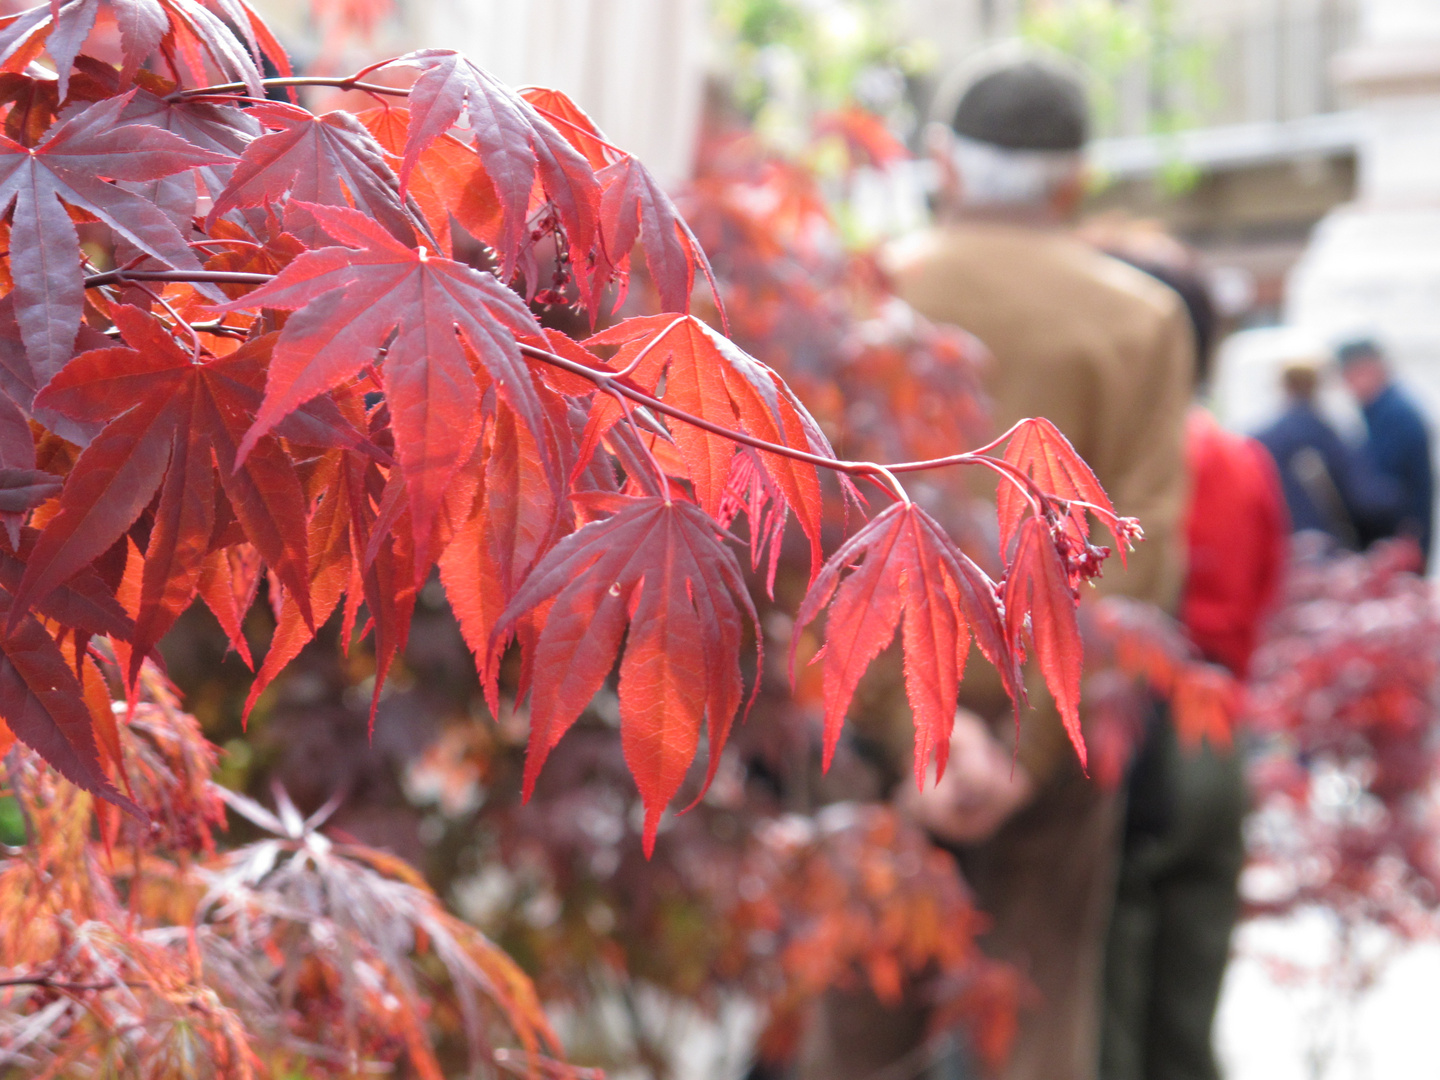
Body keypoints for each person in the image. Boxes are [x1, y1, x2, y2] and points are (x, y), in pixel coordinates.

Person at [823, 49, 1192, 1080]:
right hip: (1059, 728)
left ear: (942, 161)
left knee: (859, 1017)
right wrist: (1023, 748)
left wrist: (920, 738)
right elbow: (1146, 543)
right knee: (1037, 1014)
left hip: (874, 706)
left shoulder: (868, 293)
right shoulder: (1142, 317)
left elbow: (825, 522)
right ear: (1076, 179)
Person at [1084, 235, 1288, 1080]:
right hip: (1224, 730)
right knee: (1189, 1005)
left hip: (1146, 729)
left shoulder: (1137, 467)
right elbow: (1267, 586)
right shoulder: (1241, 456)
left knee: (1111, 1006)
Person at [1253, 357, 1399, 549]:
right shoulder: (1330, 435)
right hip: (1325, 548)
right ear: (1317, 386)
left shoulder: (1261, 438)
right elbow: (1364, 497)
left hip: (1278, 545)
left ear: (1283, 386)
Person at [1337, 338, 1433, 566]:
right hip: (1400, 535)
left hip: (1400, 538)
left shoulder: (1395, 414)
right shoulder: (1379, 410)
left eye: (1351, 375)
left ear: (1371, 369)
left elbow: (1384, 487)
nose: (1347, 385)